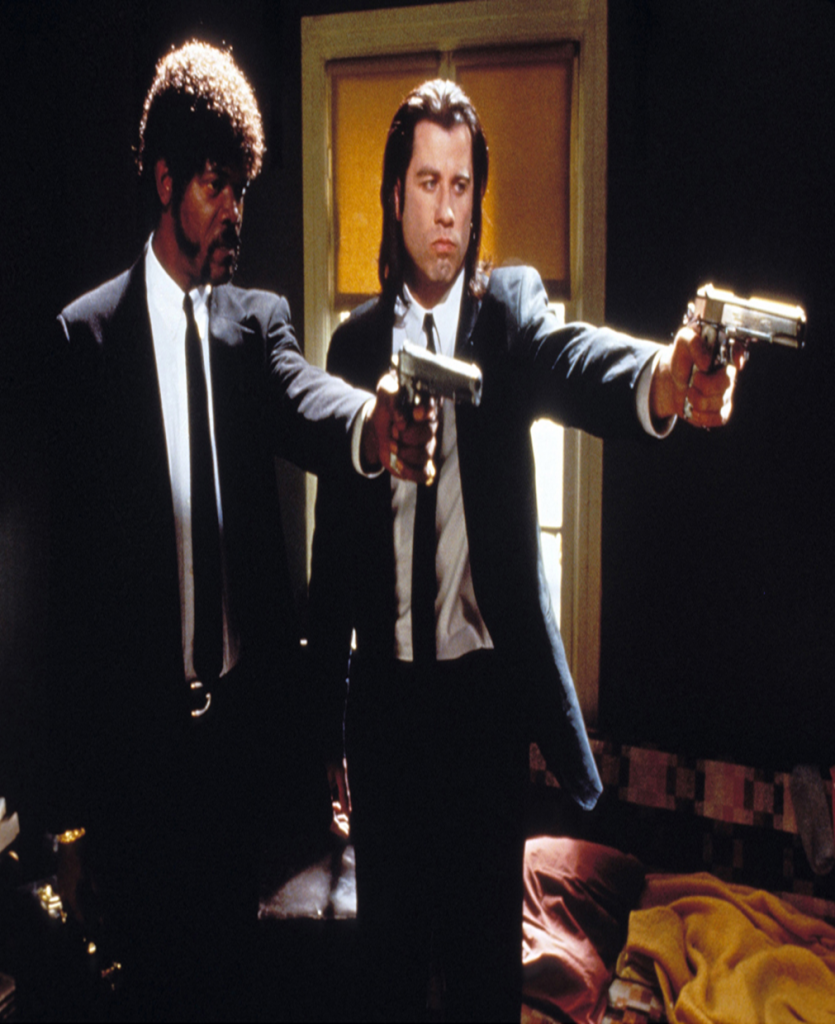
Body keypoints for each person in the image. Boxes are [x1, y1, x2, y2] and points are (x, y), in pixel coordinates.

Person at [308, 79, 740, 1023]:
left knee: (478, 975)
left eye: (462, 186)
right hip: (383, 704)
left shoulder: (507, 311)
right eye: (428, 183)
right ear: (394, 194)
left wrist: (666, 377)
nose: (447, 210)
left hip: (480, 707)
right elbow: (332, 553)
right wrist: (323, 725)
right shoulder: (351, 347)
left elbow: (577, 360)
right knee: (384, 969)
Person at [40, 41, 429, 1021]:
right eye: (216, 186)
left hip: (236, 755)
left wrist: (373, 420)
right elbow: (62, 596)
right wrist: (64, 817)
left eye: (242, 188)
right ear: (164, 179)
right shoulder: (86, 341)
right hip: (136, 765)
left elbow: (308, 400)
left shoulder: (256, 326)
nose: (233, 211)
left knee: (232, 991)